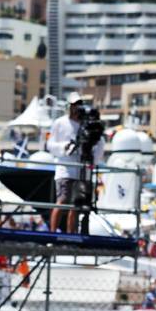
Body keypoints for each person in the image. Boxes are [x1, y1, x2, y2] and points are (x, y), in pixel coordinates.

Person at [47, 93, 104, 234]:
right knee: (63, 200)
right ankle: (52, 234)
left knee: (76, 205)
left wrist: (92, 159)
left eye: (78, 105)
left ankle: (71, 234)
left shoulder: (87, 124)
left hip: (82, 171)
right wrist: (65, 147)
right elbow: (50, 145)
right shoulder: (60, 123)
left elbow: (98, 144)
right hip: (65, 170)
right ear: (69, 106)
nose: (76, 109)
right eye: (74, 105)